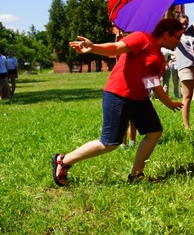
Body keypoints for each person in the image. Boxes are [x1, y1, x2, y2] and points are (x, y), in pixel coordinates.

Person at [51, 18, 184, 186]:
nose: (179, 41)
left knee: (154, 132)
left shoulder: (157, 54)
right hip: (119, 94)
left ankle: (136, 175)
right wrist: (93, 47)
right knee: (109, 142)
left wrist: (169, 102)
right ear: (166, 34)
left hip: (139, 98)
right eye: (178, 37)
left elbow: (151, 82)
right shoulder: (141, 38)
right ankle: (63, 161)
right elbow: (115, 48)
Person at [175, 4, 194, 130]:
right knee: (187, 98)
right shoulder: (176, 35)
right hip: (186, 68)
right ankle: (186, 126)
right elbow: (166, 21)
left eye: (186, 23)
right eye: (182, 23)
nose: (184, 25)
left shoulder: (190, 33)